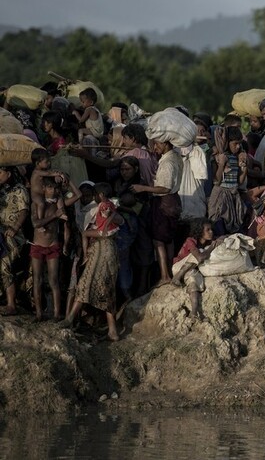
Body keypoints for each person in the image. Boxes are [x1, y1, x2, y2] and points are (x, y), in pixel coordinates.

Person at [61, 183, 123, 341]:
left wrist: (107, 223)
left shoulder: (103, 207)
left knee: (100, 286)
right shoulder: (92, 209)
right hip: (97, 251)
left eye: (93, 194)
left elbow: (119, 221)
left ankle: (110, 330)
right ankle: (110, 330)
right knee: (91, 284)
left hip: (104, 250)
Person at [131, 139, 183, 287]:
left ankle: (165, 276)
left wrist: (143, 188)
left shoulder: (167, 162)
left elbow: (165, 188)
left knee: (159, 240)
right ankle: (169, 272)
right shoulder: (176, 157)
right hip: (173, 202)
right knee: (168, 240)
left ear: (166, 143)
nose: (155, 147)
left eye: (157, 144)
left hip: (164, 202)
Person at [30, 177, 68, 321]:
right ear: (44, 188)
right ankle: (39, 313)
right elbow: (35, 224)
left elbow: (75, 198)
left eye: (55, 188)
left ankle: (57, 314)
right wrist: (54, 216)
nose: (53, 191)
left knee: (53, 281)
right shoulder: (37, 204)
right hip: (37, 246)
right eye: (50, 187)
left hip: (52, 245)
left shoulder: (58, 203)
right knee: (37, 280)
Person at [171, 218, 221, 321]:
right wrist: (211, 247)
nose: (211, 232)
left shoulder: (208, 241)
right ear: (199, 231)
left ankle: (194, 313)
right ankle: (177, 277)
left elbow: (222, 238)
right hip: (178, 267)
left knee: (193, 279)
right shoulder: (191, 240)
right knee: (199, 253)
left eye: (211, 229)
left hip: (189, 269)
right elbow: (200, 258)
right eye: (208, 230)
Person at [0, 166, 30, 316]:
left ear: (9, 173)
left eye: (0, 172)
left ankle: (11, 305)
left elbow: (24, 211)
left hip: (13, 234)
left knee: (4, 265)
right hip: (1, 232)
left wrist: (15, 227)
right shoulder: (1, 190)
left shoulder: (19, 189)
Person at [209, 126, 248, 234]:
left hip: (233, 196)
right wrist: (222, 164)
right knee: (219, 226)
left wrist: (244, 166)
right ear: (227, 142)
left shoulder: (236, 157)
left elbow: (239, 181)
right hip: (220, 197)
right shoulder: (218, 157)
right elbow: (216, 181)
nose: (238, 146)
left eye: (239, 143)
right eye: (235, 143)